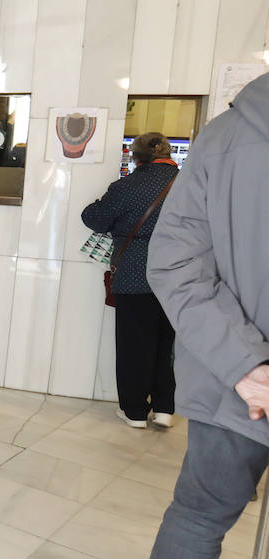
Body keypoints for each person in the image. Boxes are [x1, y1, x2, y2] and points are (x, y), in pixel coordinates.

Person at [143, 74, 269, 559]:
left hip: (229, 385)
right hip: (233, 380)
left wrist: (245, 367)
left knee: (197, 520)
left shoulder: (223, 137)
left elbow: (174, 262)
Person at [81, 131, 178, 429]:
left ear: (135, 157)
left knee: (134, 346)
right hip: (178, 277)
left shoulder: (127, 186)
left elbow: (93, 218)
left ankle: (135, 411)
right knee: (166, 345)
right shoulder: (189, 183)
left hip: (135, 275)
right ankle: (164, 409)